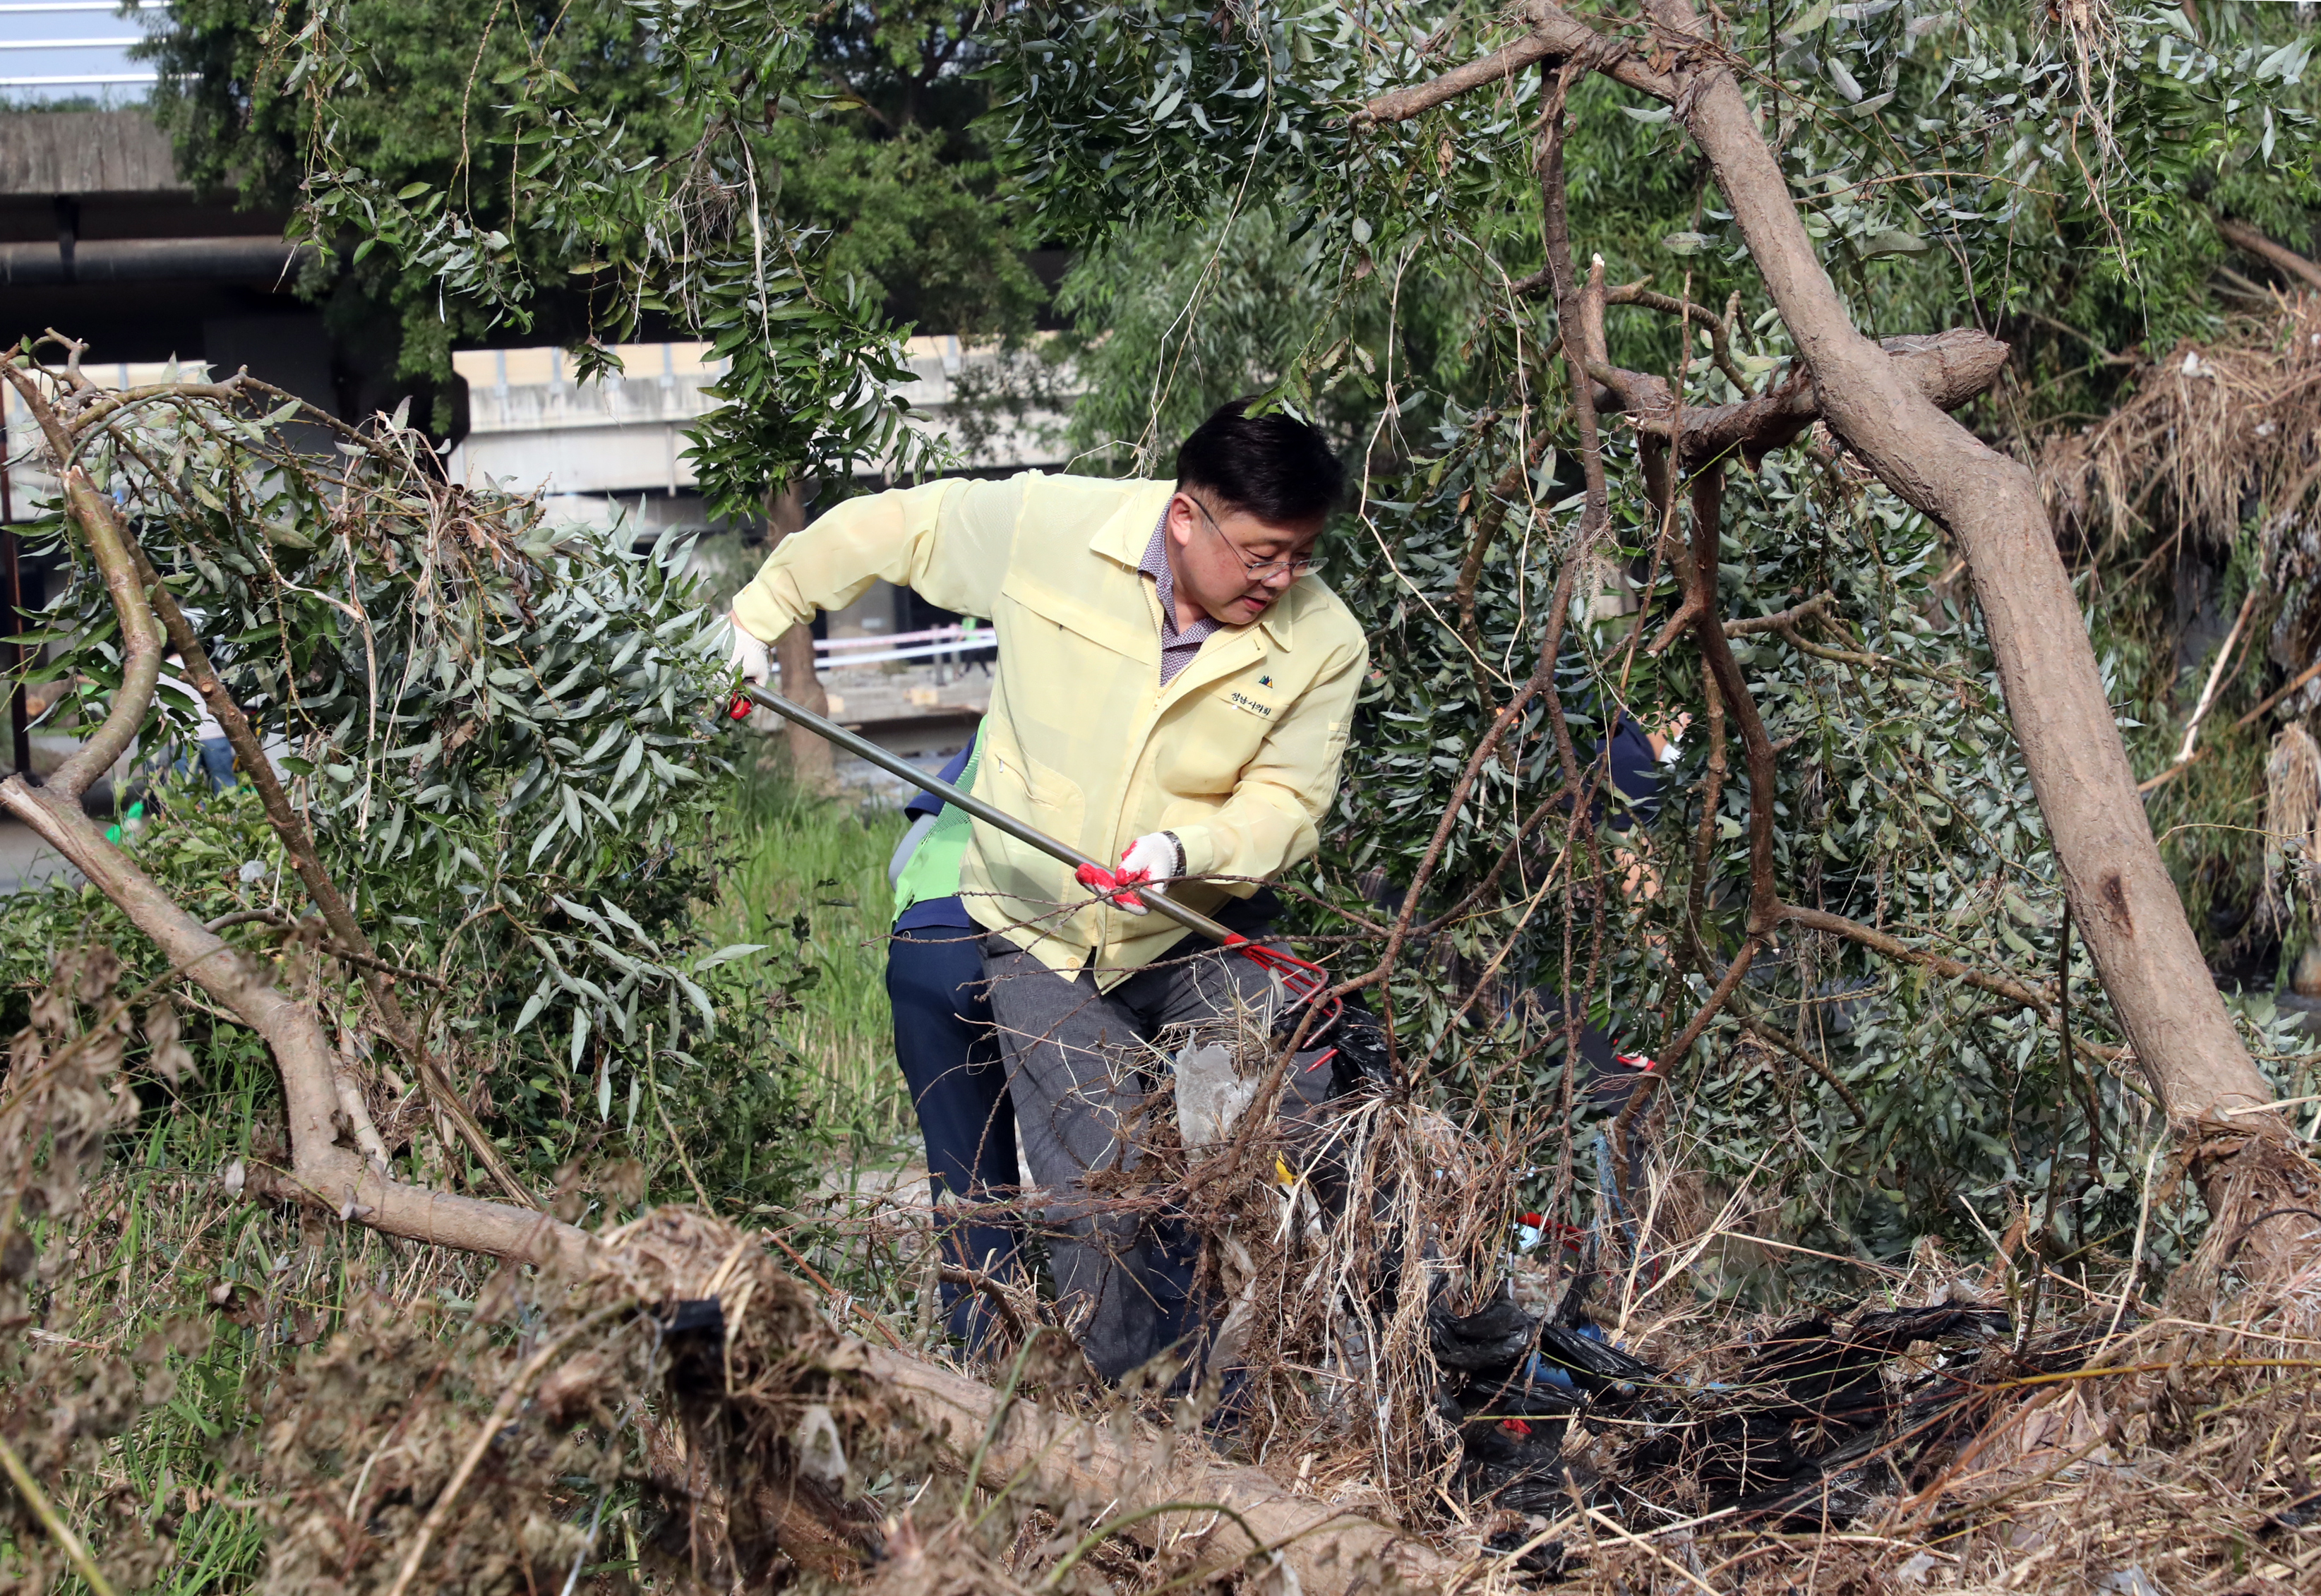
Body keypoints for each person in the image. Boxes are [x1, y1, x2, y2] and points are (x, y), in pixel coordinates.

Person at [729, 400, 1367, 1381]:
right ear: (1187, 518)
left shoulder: (1325, 639)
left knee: (1264, 1149)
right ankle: (1142, 1427)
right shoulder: (1053, 529)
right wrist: (758, 613)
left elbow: (1289, 802)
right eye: (1261, 554)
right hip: (1039, 930)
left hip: (1196, 927)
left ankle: (1268, 1403)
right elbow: (904, 525)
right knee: (1100, 1186)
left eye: (1300, 555)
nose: (1281, 578)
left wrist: (1186, 849)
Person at [884, 723, 1022, 1351]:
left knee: (965, 1183)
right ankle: (1116, 1372)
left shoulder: (999, 714)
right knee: (1089, 1165)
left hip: (923, 942)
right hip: (1028, 937)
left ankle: (986, 1360)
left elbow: (900, 859)